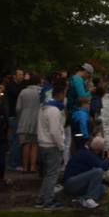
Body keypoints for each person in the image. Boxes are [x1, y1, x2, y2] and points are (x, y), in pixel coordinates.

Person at [36, 80, 67, 210]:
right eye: (64, 94)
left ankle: (41, 199)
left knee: (47, 174)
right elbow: (55, 131)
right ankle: (48, 201)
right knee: (52, 175)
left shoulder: (43, 107)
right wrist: (61, 146)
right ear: (60, 95)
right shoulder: (54, 110)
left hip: (42, 144)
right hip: (52, 145)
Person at [62, 137, 109, 209]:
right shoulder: (87, 154)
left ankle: (80, 200)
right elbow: (104, 167)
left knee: (102, 188)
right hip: (70, 183)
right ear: (98, 150)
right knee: (98, 171)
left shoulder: (86, 152)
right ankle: (89, 199)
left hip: (76, 183)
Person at [15, 75, 42, 174]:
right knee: (34, 144)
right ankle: (33, 167)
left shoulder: (23, 92)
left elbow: (18, 108)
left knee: (25, 144)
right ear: (39, 82)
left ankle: (25, 167)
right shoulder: (41, 92)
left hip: (24, 120)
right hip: (37, 120)